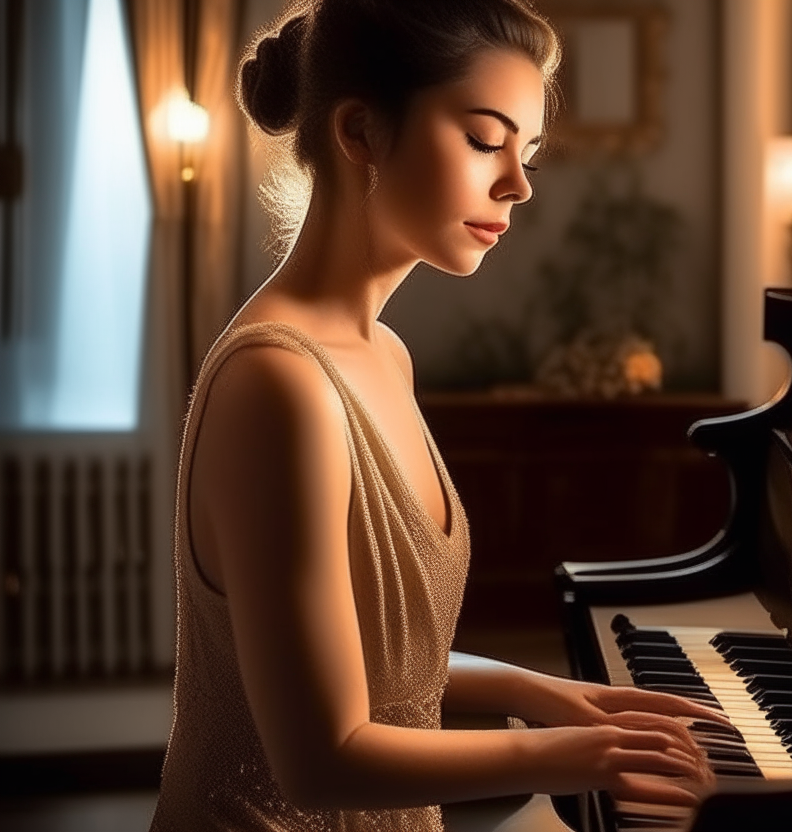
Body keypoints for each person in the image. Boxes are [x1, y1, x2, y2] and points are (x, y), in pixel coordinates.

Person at [149, 1, 721, 829]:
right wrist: (584, 754)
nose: (519, 184)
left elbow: (371, 657)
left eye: (526, 151)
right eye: (486, 140)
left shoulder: (385, 355)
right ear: (359, 133)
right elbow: (321, 757)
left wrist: (539, 691)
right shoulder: (277, 382)